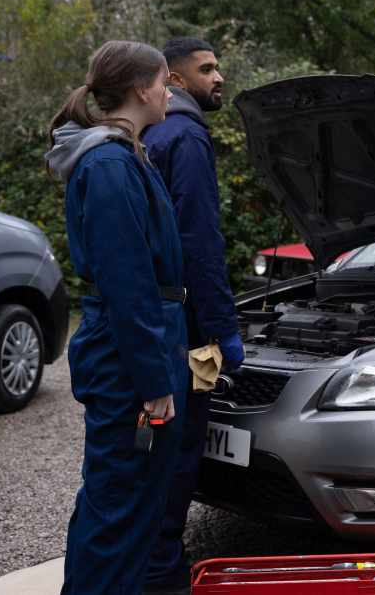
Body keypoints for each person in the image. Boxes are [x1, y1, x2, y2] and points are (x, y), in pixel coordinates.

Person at [46, 40, 188, 595]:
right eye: (163, 81)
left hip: (143, 346)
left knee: (132, 507)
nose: (169, 89)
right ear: (139, 90)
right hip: (129, 362)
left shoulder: (124, 155)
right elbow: (129, 284)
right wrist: (154, 381)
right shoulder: (108, 166)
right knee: (118, 511)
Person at [141, 37, 244, 594]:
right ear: (175, 82)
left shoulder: (147, 132)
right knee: (182, 447)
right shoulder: (187, 135)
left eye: (218, 66)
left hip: (157, 321)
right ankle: (164, 573)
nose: (219, 76)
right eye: (206, 69)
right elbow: (201, 245)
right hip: (194, 332)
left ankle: (144, 561)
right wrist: (224, 331)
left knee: (153, 447)